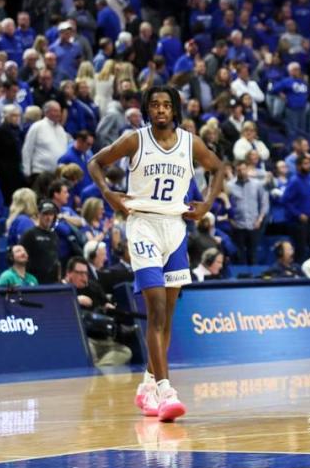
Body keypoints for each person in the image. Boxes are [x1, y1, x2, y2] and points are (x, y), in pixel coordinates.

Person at [88, 86, 224, 423]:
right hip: (143, 225)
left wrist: (206, 203)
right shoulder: (135, 140)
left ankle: (147, 384)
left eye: (166, 105)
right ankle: (165, 388)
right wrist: (109, 195)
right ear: (148, 110)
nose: (160, 110)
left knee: (169, 314)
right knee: (156, 309)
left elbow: (218, 169)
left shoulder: (190, 142)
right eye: (154, 105)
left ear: (175, 110)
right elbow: (95, 163)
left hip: (176, 229)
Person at [20, 201, 61, 284]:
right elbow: (21, 258)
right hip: (34, 280)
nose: (48, 218)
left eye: (51, 214)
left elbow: (56, 258)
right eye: (45, 214)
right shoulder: (30, 234)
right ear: (39, 215)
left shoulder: (54, 235)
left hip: (52, 281)